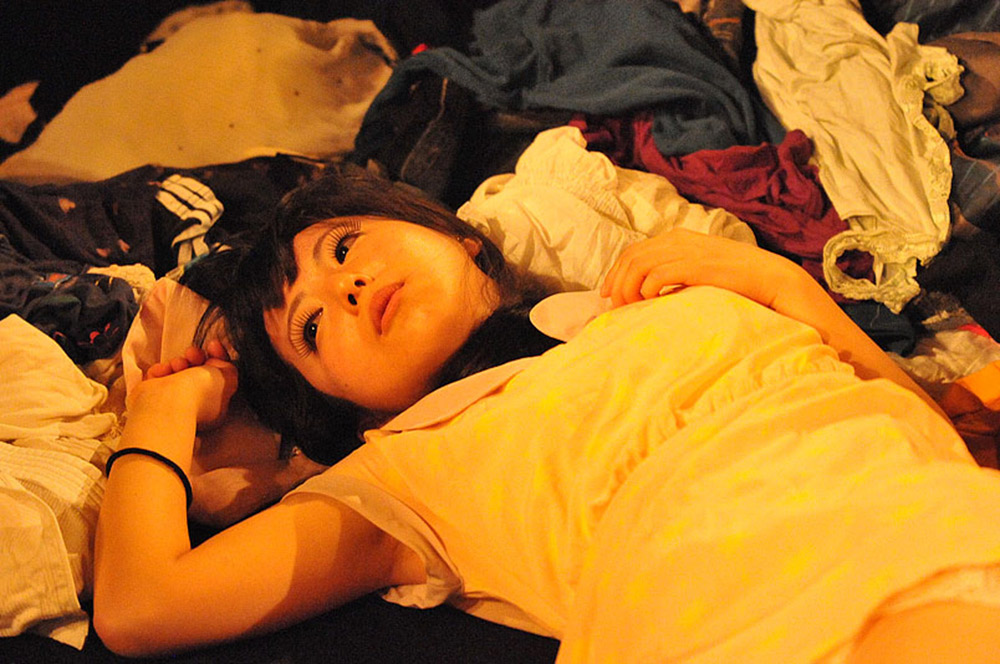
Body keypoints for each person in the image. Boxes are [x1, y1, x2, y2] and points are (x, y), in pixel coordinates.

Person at [94, 167, 1000, 663]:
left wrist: (785, 286)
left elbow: (919, 427)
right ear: (342, 405)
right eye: (312, 326)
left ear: (460, 238)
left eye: (343, 248)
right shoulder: (405, 468)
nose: (346, 287)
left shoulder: (651, 293)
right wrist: (161, 414)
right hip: (737, 588)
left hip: (917, 502)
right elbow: (143, 607)